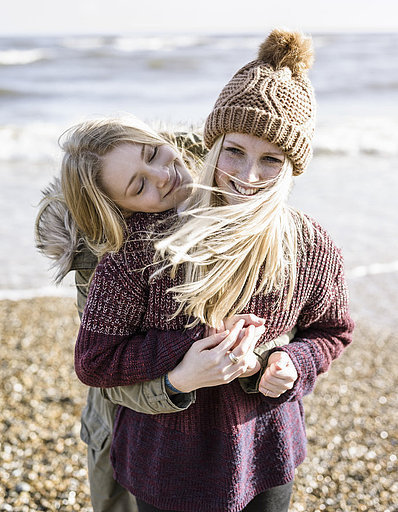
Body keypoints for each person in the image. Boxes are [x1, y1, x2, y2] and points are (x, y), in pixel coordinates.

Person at [73, 29, 354, 512]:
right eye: (234, 151)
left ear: (292, 166)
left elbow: (331, 331)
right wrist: (190, 351)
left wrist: (291, 364)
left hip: (265, 453)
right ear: (213, 143)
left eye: (271, 159)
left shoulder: (310, 245)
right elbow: (94, 360)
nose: (247, 176)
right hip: (162, 462)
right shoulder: (143, 244)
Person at [36, 119, 294, 512]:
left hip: (241, 426)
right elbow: (103, 368)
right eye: (139, 186)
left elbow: (285, 304)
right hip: (136, 427)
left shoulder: (228, 170)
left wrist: (269, 354)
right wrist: (177, 381)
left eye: (154, 153)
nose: (164, 175)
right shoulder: (107, 263)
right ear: (118, 210)